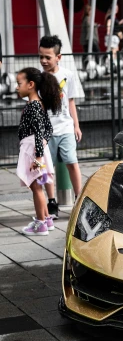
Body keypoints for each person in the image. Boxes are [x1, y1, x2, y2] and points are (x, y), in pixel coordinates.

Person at [38, 34, 83, 218]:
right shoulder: (37, 78)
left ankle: (79, 200)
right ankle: (52, 202)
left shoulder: (67, 75)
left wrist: (76, 126)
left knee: (72, 162)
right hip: (45, 131)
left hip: (65, 127)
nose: (43, 60)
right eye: (41, 56)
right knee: (48, 168)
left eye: (47, 57)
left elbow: (71, 101)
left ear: (58, 57)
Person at [15, 67, 61, 236]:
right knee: (38, 186)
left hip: (33, 151)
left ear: (31, 84)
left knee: (36, 188)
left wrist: (38, 157)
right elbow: (48, 129)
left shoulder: (34, 105)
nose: (16, 87)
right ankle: (47, 219)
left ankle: (41, 224)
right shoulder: (38, 104)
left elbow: (40, 131)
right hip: (36, 149)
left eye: (19, 83)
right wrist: (42, 146)